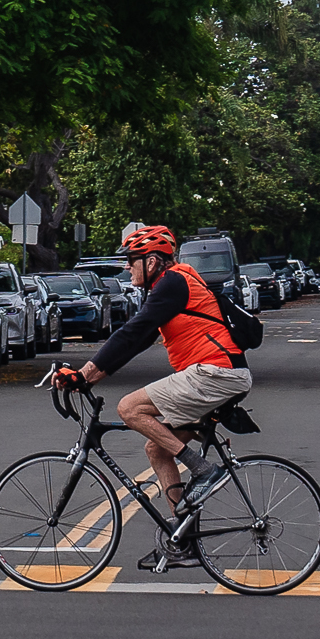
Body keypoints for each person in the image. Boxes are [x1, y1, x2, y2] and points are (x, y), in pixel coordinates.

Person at [65, 224, 253, 571]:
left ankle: (203, 469)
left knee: (129, 407)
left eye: (131, 260)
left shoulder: (173, 282)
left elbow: (132, 331)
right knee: (156, 447)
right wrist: (90, 376)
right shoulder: (174, 286)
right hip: (215, 375)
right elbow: (137, 340)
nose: (127, 268)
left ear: (152, 261)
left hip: (215, 373)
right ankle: (183, 541)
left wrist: (84, 374)